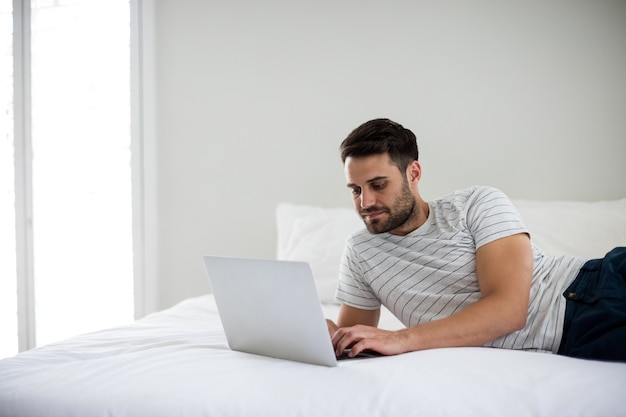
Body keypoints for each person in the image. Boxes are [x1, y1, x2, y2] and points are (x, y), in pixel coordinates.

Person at [327, 118, 626, 362]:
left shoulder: (476, 203)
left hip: (593, 289)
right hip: (574, 336)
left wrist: (401, 339)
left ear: (413, 173)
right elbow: (353, 336)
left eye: (378, 185)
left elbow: (509, 310)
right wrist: (324, 333)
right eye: (355, 190)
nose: (365, 202)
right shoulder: (360, 251)